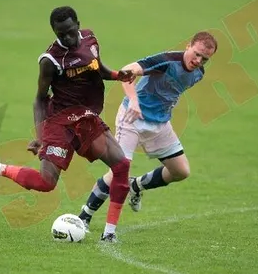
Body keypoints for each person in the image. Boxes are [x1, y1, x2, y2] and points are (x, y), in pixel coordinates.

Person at [0, 6, 140, 242]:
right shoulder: (50, 60)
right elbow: (39, 99)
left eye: (70, 32)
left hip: (87, 118)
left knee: (121, 166)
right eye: (61, 34)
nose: (67, 38)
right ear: (54, 32)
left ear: (78, 24)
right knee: (46, 183)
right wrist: (40, 136)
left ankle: (109, 233)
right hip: (59, 123)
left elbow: (98, 68)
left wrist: (118, 75)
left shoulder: (90, 39)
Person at [78, 31, 218, 231]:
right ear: (188, 46)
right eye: (196, 54)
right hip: (131, 120)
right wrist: (134, 101)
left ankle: (136, 186)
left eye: (205, 59)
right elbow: (127, 70)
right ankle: (84, 217)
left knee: (181, 171)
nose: (198, 61)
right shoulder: (167, 60)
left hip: (160, 125)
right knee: (118, 172)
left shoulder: (198, 74)